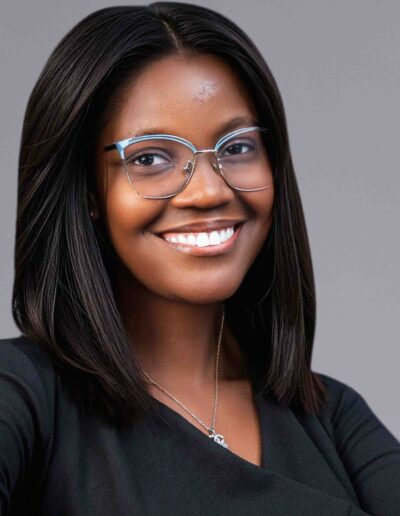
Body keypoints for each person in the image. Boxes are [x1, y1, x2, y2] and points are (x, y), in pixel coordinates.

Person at [1, 2, 399, 515]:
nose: (210, 191)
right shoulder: (24, 396)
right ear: (88, 191)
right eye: (150, 158)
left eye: (236, 148)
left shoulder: (332, 418)